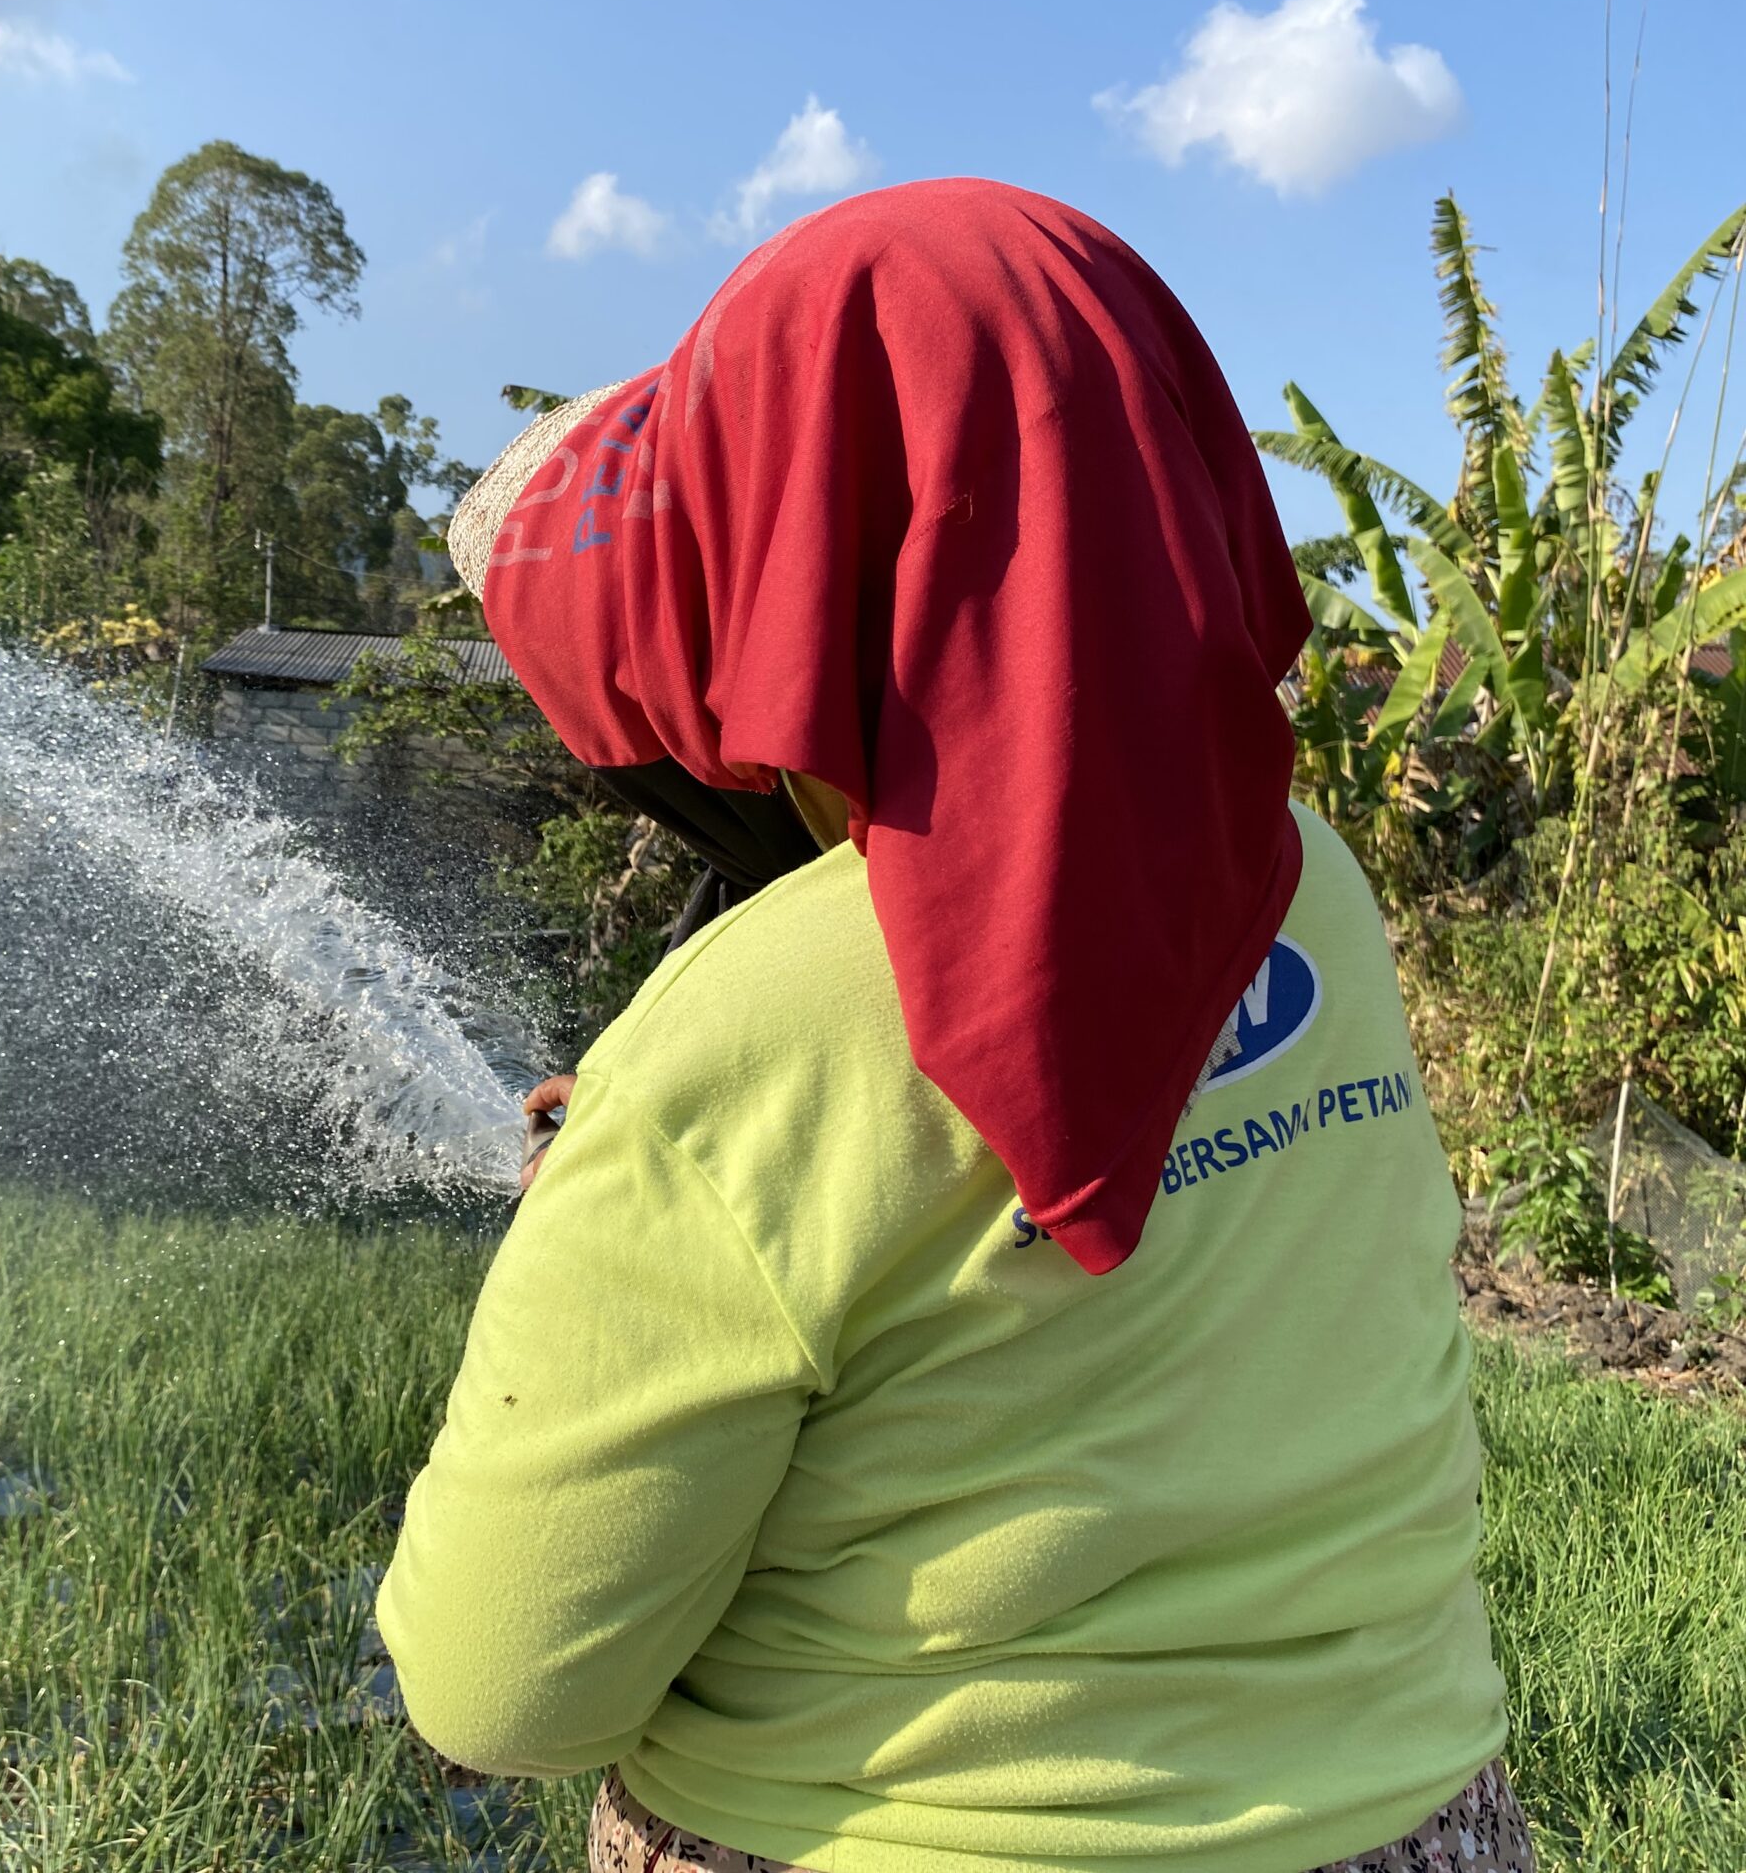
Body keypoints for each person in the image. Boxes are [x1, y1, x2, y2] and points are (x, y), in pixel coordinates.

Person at [376, 181, 1527, 1873]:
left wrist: (621, 1179)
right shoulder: (1312, 890)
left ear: (766, 562)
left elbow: (499, 1695)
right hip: (1418, 1814)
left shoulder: (742, 1036)